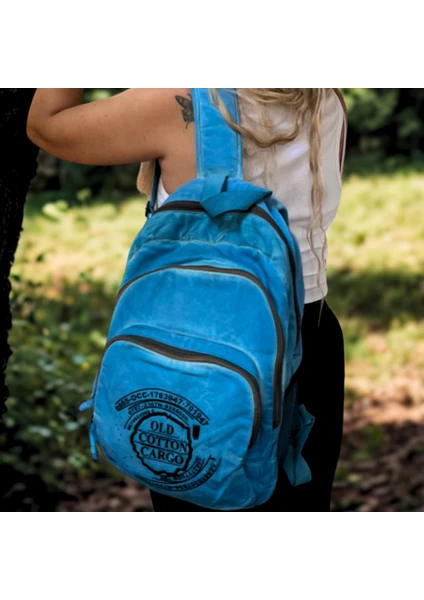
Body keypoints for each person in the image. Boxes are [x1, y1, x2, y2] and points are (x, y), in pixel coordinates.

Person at [27, 88, 346, 512]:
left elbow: (45, 125)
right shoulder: (321, 95)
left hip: (201, 355)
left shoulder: (184, 102)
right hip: (312, 343)